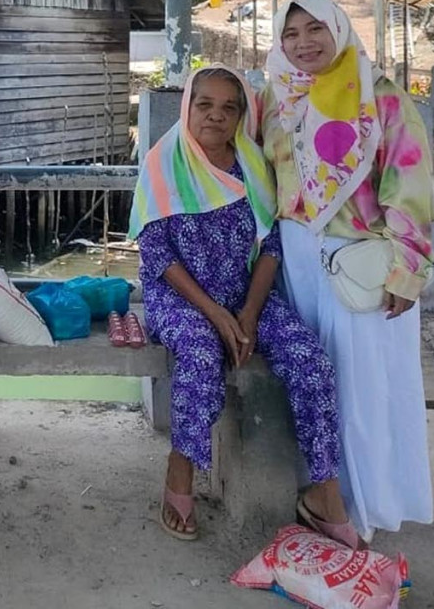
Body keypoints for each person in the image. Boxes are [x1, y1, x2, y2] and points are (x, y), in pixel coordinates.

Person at [130, 66, 357, 547]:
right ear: (187, 106)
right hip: (180, 297)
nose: (215, 115)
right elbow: (157, 255)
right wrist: (215, 314)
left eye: (228, 107)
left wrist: (250, 312)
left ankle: (324, 492)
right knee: (199, 352)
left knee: (309, 360)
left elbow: (271, 246)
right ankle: (181, 468)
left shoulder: (252, 166)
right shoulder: (162, 163)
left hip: (246, 296)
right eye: (203, 104)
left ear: (241, 115)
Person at [264, 0, 434, 541]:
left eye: (315, 29)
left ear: (339, 29)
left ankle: (365, 508)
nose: (303, 43)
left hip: (362, 261)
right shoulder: (279, 99)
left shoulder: (379, 98)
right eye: (291, 34)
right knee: (316, 380)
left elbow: (410, 187)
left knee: (364, 386)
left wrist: (408, 270)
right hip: (298, 259)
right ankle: (324, 493)